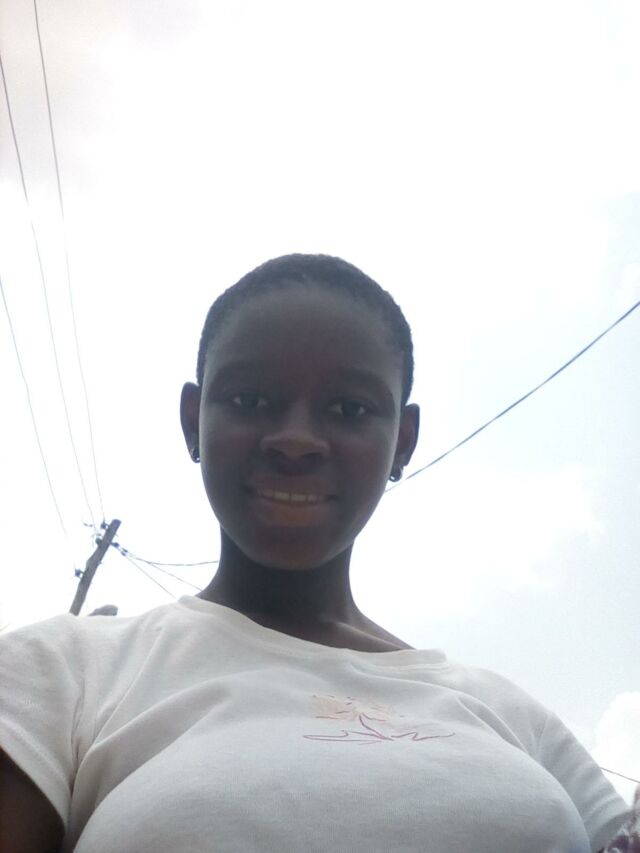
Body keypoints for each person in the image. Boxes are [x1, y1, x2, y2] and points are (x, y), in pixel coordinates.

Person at [0, 253, 635, 852]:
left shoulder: (515, 717)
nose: (297, 439)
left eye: (349, 408)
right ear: (194, 419)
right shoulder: (61, 670)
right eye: (251, 400)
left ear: (403, 441)